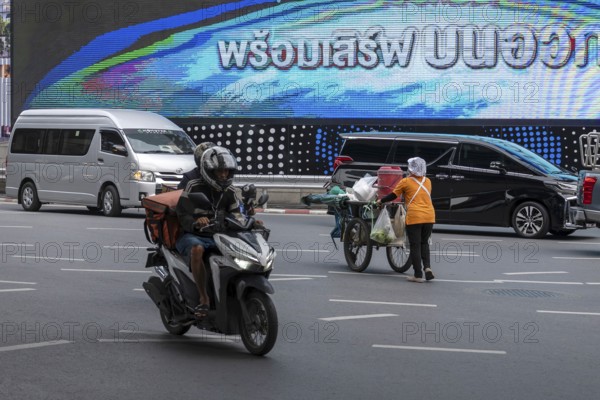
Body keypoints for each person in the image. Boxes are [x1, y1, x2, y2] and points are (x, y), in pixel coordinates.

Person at [175, 146, 240, 317]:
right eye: (219, 171)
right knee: (197, 250)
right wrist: (196, 222)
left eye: (226, 171)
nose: (223, 175)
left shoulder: (230, 191)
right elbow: (181, 214)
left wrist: (251, 222)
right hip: (192, 235)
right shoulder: (192, 185)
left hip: (219, 235)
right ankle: (204, 298)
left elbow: (237, 214)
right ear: (209, 171)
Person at [377, 157, 435, 283]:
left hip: (415, 217)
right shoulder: (428, 181)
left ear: (411, 168)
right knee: (424, 243)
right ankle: (427, 268)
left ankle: (418, 275)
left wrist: (381, 200)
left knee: (415, 245)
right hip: (430, 216)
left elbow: (393, 195)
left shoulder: (406, 181)